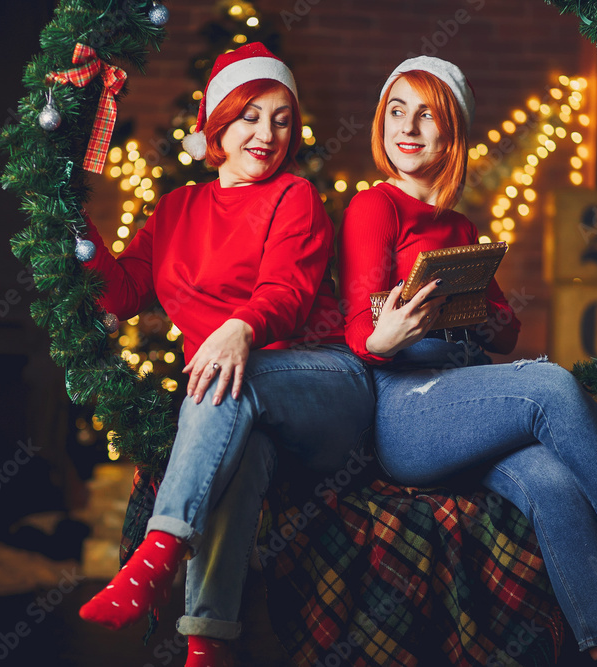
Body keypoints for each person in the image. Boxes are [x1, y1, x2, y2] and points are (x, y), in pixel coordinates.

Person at [337, 55, 597, 667]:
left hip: (465, 398)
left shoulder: (460, 225)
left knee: (554, 484)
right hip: (407, 411)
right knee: (549, 383)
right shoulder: (374, 207)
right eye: (396, 110)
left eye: (427, 115)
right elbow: (359, 333)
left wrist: (476, 308)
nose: (408, 127)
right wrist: (389, 334)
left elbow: (504, 336)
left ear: (452, 135)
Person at [75, 43, 393, 667]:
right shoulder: (175, 210)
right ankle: (206, 646)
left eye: (281, 119)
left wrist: (241, 327)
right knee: (242, 456)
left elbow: (288, 293)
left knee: (224, 379)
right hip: (237, 398)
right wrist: (74, 223)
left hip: (327, 384)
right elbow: (122, 292)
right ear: (217, 122)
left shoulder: (294, 195)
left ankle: (155, 557)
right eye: (250, 116)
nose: (267, 134)